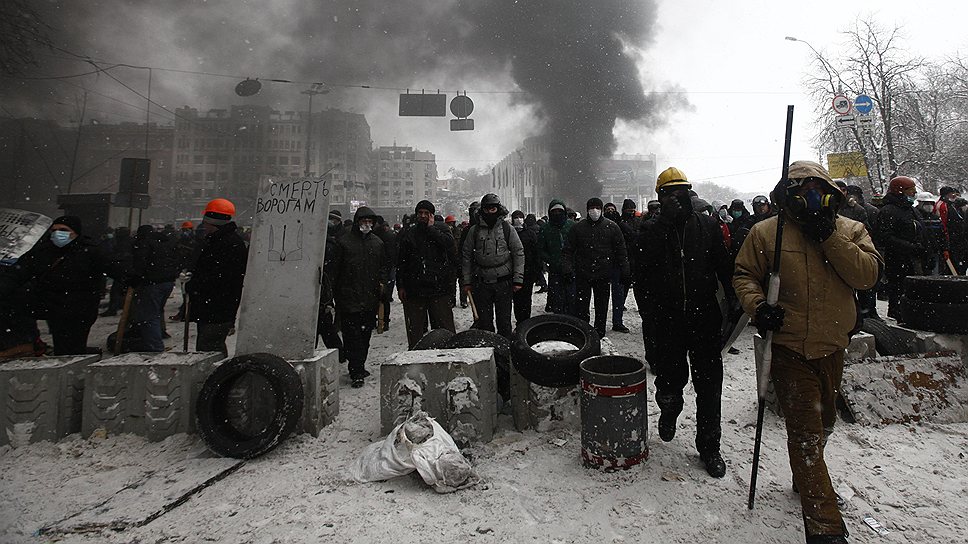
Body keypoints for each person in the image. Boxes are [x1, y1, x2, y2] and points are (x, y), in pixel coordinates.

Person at [734, 161, 881, 544]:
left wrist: (829, 236)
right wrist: (758, 306)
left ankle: (804, 475)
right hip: (788, 347)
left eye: (816, 188)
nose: (810, 197)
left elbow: (867, 275)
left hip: (833, 345)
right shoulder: (768, 233)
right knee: (806, 434)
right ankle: (825, 527)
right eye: (800, 189)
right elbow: (744, 275)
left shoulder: (851, 230)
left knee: (825, 422)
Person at [633, 167, 734, 479]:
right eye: (670, 193)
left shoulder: (706, 225)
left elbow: (724, 268)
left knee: (709, 385)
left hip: (703, 318)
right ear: (661, 198)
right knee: (670, 378)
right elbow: (641, 268)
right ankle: (669, 407)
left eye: (682, 191)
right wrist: (664, 223)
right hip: (667, 320)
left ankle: (709, 445)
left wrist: (735, 303)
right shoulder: (650, 229)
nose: (678, 198)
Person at [0, 216, 109, 355]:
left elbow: (115, 267)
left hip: (78, 309)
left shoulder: (91, 252)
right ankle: (25, 345)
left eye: (63, 230)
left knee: (69, 350)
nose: (57, 233)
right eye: (54, 230)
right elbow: (17, 274)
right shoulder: (42, 252)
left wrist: (133, 278)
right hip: (52, 305)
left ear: (75, 232)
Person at [331, 206, 387, 387]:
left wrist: (382, 286)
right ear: (357, 222)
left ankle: (359, 364)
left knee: (364, 337)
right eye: (364, 221)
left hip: (369, 298)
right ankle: (356, 370)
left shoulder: (377, 243)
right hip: (349, 298)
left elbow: (383, 268)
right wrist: (337, 294)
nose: (367, 224)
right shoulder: (344, 242)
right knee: (352, 336)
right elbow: (335, 271)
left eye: (370, 222)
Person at [186, 198, 248, 356]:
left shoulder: (223, 244)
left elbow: (219, 278)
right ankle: (218, 376)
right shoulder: (228, 242)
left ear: (213, 223)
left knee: (209, 349)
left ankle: (215, 378)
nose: (204, 226)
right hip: (218, 307)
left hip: (216, 308)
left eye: (205, 223)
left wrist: (194, 285)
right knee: (212, 346)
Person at [563, 197, 629, 338]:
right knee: (581, 307)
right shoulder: (578, 228)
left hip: (603, 274)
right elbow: (568, 250)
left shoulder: (612, 227)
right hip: (583, 273)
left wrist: (625, 269)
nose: (594, 210)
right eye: (592, 207)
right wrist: (567, 268)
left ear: (601, 209)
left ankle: (599, 333)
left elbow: (621, 250)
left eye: (597, 207)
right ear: (587, 209)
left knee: (601, 306)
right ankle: (584, 333)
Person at [461, 193, 524, 338]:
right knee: (485, 324)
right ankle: (489, 354)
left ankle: (505, 353)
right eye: (487, 209)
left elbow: (518, 253)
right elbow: (466, 256)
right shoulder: (474, 231)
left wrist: (518, 278)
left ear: (498, 209)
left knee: (504, 323)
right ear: (482, 210)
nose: (490, 212)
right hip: (481, 283)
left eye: (493, 209)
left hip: (503, 282)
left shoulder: (507, 229)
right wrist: (467, 280)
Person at [396, 200, 457, 347]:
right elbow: (401, 261)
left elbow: (449, 246)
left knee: (445, 329)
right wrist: (401, 285)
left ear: (432, 215)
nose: (423, 216)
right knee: (415, 330)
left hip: (438, 287)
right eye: (420, 213)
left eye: (426, 213)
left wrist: (432, 229)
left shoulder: (441, 229)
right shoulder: (409, 233)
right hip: (415, 289)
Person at [874, 176, 927, 318]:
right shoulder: (888, 211)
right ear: (900, 191)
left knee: (913, 289)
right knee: (898, 288)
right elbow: (885, 237)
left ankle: (911, 313)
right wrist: (909, 247)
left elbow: (921, 229)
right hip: (898, 259)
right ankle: (898, 313)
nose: (914, 194)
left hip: (913, 257)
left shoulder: (911, 210)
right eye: (911, 191)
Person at [129, 224, 180, 351]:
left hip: (152, 282)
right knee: (157, 311)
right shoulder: (165, 242)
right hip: (167, 281)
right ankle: (160, 333)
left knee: (149, 315)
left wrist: (135, 278)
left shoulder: (144, 244)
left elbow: (140, 263)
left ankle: (154, 346)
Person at [537, 199, 576, 314]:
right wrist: (552, 260)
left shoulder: (572, 226)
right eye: (554, 211)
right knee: (557, 299)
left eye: (560, 211)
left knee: (572, 298)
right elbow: (540, 249)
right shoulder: (546, 229)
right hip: (555, 270)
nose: (557, 214)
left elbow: (579, 246)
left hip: (571, 269)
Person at [510, 209, 540, 325]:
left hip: (528, 271)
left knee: (526, 298)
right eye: (516, 217)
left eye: (520, 217)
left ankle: (525, 321)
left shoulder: (530, 234)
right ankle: (519, 320)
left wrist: (537, 271)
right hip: (514, 272)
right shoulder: (510, 233)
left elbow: (536, 253)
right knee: (517, 299)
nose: (518, 219)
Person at [457, 201, 480, 309]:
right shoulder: (468, 230)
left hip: (483, 264)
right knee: (465, 282)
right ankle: (464, 300)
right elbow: (463, 249)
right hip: (469, 263)